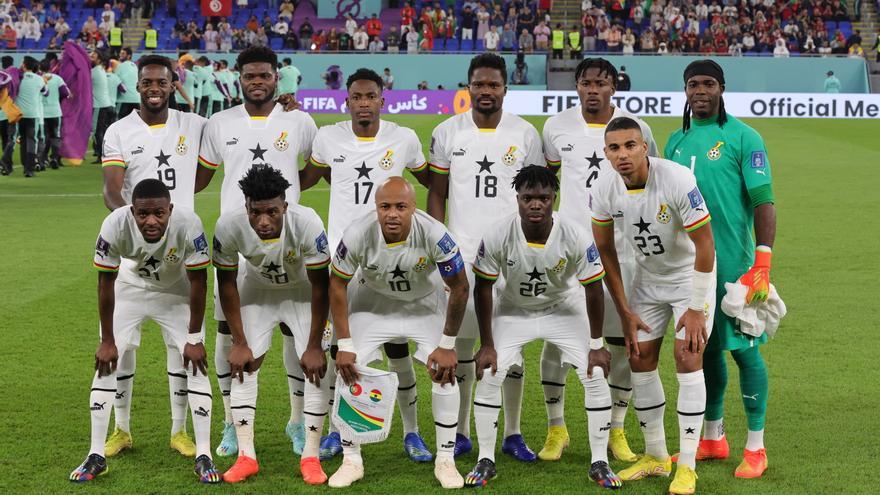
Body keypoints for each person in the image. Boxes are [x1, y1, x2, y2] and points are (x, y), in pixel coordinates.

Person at [299, 68, 431, 461]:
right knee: (337, 350)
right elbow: (303, 179)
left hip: (390, 261)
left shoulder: (403, 139)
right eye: (356, 97)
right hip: (341, 262)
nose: (363, 103)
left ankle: (412, 433)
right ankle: (338, 433)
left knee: (397, 348)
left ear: (381, 100)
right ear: (347, 102)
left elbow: (432, 181)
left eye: (370, 96)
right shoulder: (327, 137)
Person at [463, 166, 622, 489]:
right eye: (528, 198)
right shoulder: (498, 232)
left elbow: (593, 289)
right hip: (513, 310)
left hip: (564, 308)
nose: (536, 205)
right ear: (518, 199)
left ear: (554, 199)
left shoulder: (575, 234)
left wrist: (596, 344)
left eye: (543, 198)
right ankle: (486, 458)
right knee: (492, 372)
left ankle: (599, 461)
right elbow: (483, 287)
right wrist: (488, 344)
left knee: (593, 373)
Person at [195, 46, 318, 459]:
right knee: (228, 332)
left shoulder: (299, 119)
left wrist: (285, 200)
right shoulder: (219, 122)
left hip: (287, 241)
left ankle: (297, 421)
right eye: (250, 76)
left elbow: (316, 166)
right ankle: (231, 422)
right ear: (240, 78)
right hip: (235, 243)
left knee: (290, 330)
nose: (257, 81)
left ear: (276, 78)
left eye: (264, 75)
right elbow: (201, 176)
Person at [664, 59, 777, 480]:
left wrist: (761, 263)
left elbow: (764, 202)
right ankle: (712, 437)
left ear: (722, 88)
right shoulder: (676, 140)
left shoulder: (744, 137)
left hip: (735, 266)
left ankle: (756, 446)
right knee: (704, 348)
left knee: (746, 351)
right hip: (691, 270)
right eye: (693, 84)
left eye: (709, 84)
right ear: (686, 90)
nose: (701, 91)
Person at [428, 53, 544, 460]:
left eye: (493, 85)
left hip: (512, 258)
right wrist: (438, 249)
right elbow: (437, 193)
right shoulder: (447, 132)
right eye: (479, 84)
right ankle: (460, 432)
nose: (486, 91)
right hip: (459, 258)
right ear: (468, 86)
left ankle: (512, 432)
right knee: (459, 349)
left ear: (505, 89)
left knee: (510, 350)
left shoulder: (526, 133)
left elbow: (536, 196)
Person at [541, 58, 657, 463]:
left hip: (623, 252)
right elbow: (548, 184)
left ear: (614, 86)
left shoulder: (636, 128)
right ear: (576, 86)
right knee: (556, 339)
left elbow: (649, 179)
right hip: (568, 253)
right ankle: (557, 428)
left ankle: (617, 430)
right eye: (587, 82)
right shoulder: (555, 128)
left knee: (623, 341)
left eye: (601, 83)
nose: (593, 89)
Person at [592, 116, 716, 495]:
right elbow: (604, 249)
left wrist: (695, 307)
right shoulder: (604, 188)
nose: (623, 154)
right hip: (646, 284)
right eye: (614, 148)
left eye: (630, 145)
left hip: (689, 280)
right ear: (606, 154)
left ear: (645, 146)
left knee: (687, 357)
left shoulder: (677, 179)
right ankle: (657, 457)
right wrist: (625, 309)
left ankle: (688, 466)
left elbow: (705, 245)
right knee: (640, 359)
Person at [68, 179, 220, 484]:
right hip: (130, 290)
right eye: (143, 214)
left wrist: (193, 338)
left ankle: (204, 454)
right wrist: (108, 340)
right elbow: (105, 283)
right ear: (131, 211)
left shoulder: (189, 223)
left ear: (170, 210)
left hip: (176, 292)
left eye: (159, 213)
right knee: (107, 361)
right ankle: (96, 455)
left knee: (196, 363)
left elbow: (200, 281)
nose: (151, 221)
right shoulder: (114, 225)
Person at [99, 55, 209, 458]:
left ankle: (180, 432)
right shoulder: (119, 130)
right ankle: (120, 429)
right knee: (121, 347)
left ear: (173, 83)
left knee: (180, 346)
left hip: (179, 255)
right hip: (134, 253)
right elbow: (112, 189)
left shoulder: (193, 125)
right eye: (147, 82)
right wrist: (132, 230)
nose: (154, 88)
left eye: (161, 82)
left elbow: (216, 158)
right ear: (138, 85)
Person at [326, 177, 468, 489]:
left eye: (400, 207)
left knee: (444, 372)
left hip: (422, 306)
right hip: (372, 305)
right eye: (385, 206)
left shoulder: (434, 234)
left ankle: (446, 460)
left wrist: (447, 345)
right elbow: (336, 284)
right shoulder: (357, 233)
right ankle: (352, 460)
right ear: (376, 208)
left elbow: (460, 287)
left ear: (413, 208)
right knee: (349, 368)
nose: (392, 214)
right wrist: (345, 344)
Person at [212, 164, 331, 484]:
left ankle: (311, 455)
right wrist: (238, 341)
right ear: (246, 206)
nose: (263, 221)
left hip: (302, 293)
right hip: (257, 293)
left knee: (317, 367)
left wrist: (315, 344)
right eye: (255, 212)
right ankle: (246, 456)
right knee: (243, 363)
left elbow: (322, 286)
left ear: (285, 206)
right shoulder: (228, 225)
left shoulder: (307, 223)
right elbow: (226, 283)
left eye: (272, 212)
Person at [14, 56, 46, 178]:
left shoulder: (18, 78)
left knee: (23, 140)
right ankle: (29, 168)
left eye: (22, 62)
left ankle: (24, 166)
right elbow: (46, 92)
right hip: (33, 114)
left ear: (25, 65)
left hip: (20, 114)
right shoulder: (39, 79)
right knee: (32, 140)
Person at [39, 59, 69, 171]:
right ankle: (54, 159)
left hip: (42, 113)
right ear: (50, 67)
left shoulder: (39, 79)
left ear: (39, 68)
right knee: (55, 136)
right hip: (55, 112)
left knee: (44, 137)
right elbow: (66, 93)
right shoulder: (57, 78)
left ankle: (42, 159)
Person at [92, 50, 114, 164]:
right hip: (107, 104)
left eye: (93, 55)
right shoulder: (101, 70)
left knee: (97, 132)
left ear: (99, 59)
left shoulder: (95, 71)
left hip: (99, 105)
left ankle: (101, 156)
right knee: (104, 132)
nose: (90, 56)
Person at [115, 47, 139, 117]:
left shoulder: (120, 66)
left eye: (123, 54)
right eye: (120, 53)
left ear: (129, 56)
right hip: (136, 100)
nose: (120, 55)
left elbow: (115, 81)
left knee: (120, 124)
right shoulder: (135, 66)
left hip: (124, 100)